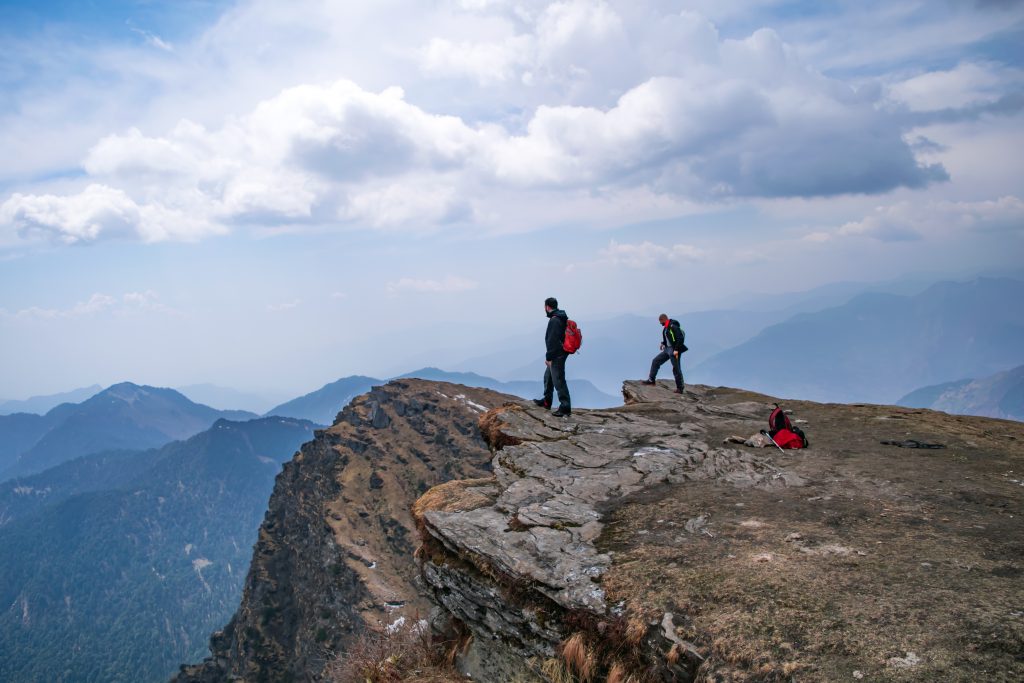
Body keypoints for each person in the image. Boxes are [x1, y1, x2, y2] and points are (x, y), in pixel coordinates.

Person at [533, 297, 572, 417]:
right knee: (548, 377)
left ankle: (565, 407)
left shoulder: (554, 320)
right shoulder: (560, 317)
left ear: (547, 307)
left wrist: (549, 358)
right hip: (559, 352)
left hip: (557, 354)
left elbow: (552, 340)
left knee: (558, 380)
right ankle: (546, 401)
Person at [643, 314, 685, 393]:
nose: (660, 324)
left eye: (660, 322)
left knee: (676, 368)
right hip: (667, 349)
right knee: (655, 361)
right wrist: (663, 343)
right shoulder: (666, 326)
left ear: (663, 320)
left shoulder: (673, 326)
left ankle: (680, 388)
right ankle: (651, 380)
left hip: (674, 350)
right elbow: (668, 337)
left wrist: (676, 349)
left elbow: (680, 338)